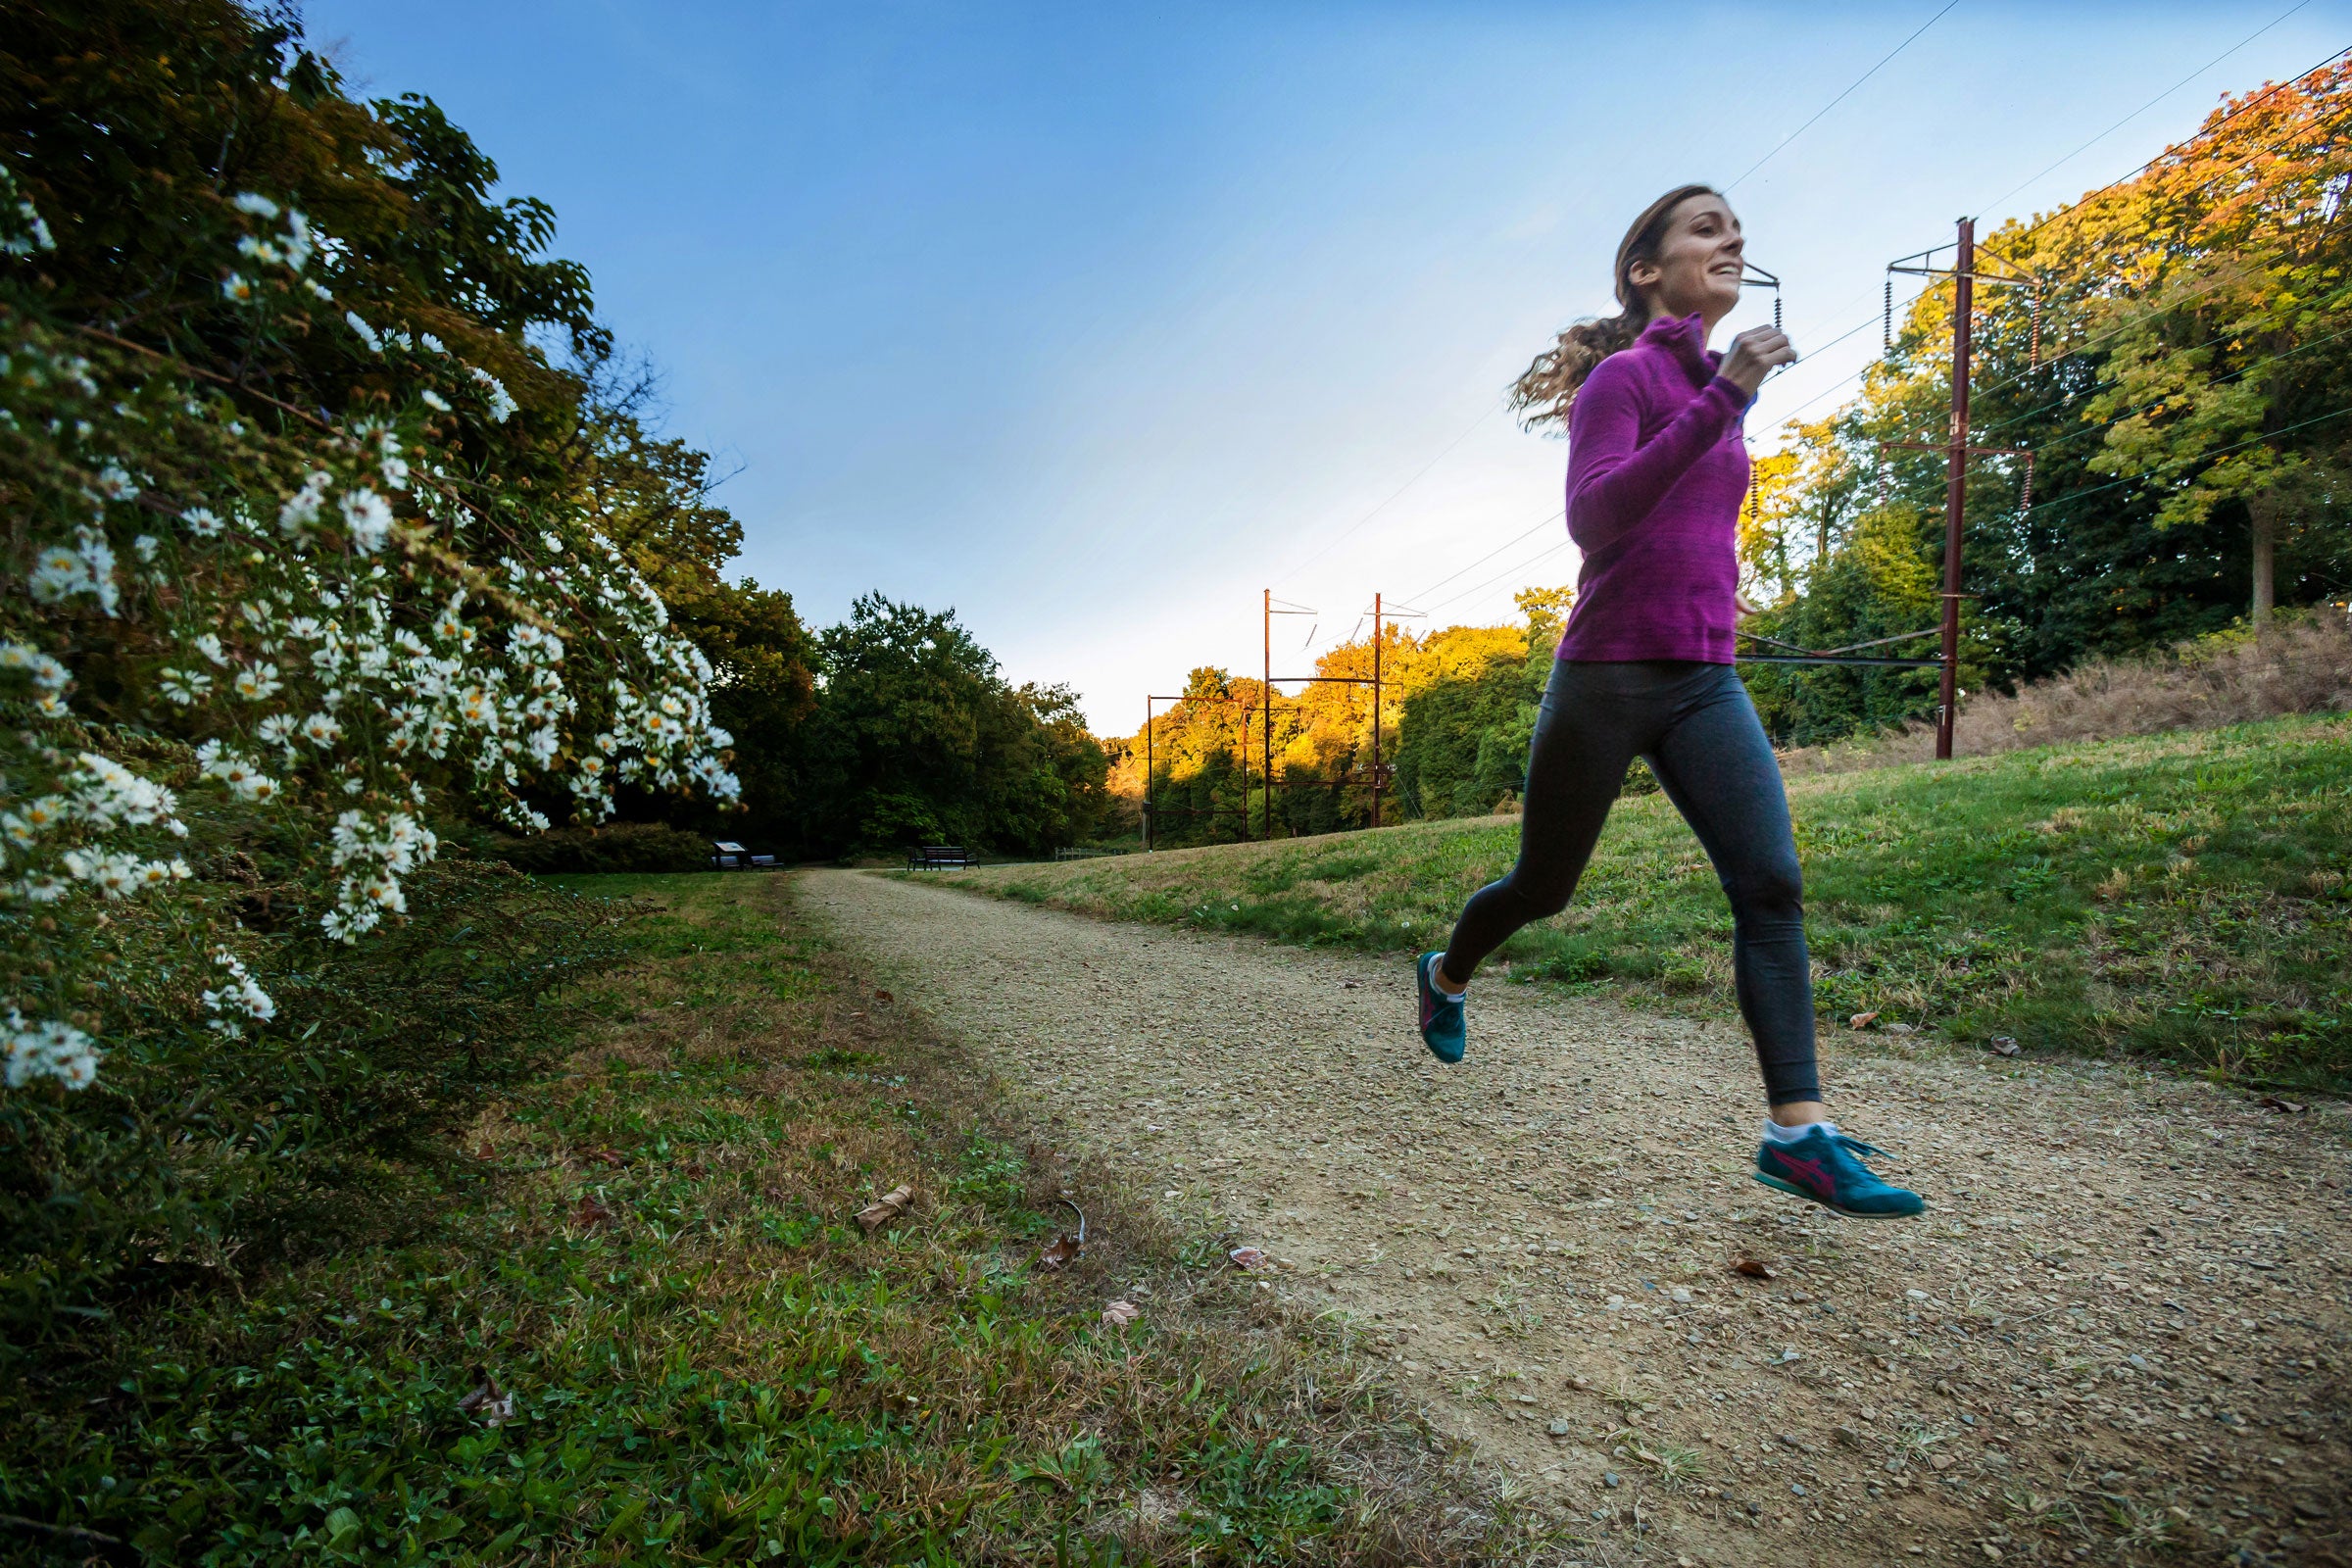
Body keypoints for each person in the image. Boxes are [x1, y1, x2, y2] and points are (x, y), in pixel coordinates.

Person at [1413, 183, 1922, 1220]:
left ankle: (1799, 1133)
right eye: (1707, 226)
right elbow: (1596, 520)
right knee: (1542, 887)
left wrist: (1724, 394)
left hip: (1704, 677)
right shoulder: (1624, 379)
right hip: (1605, 677)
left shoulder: (1713, 388)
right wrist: (1725, 395)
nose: (1733, 237)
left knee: (1771, 883)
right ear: (1648, 270)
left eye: (1738, 228)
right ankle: (1448, 969)